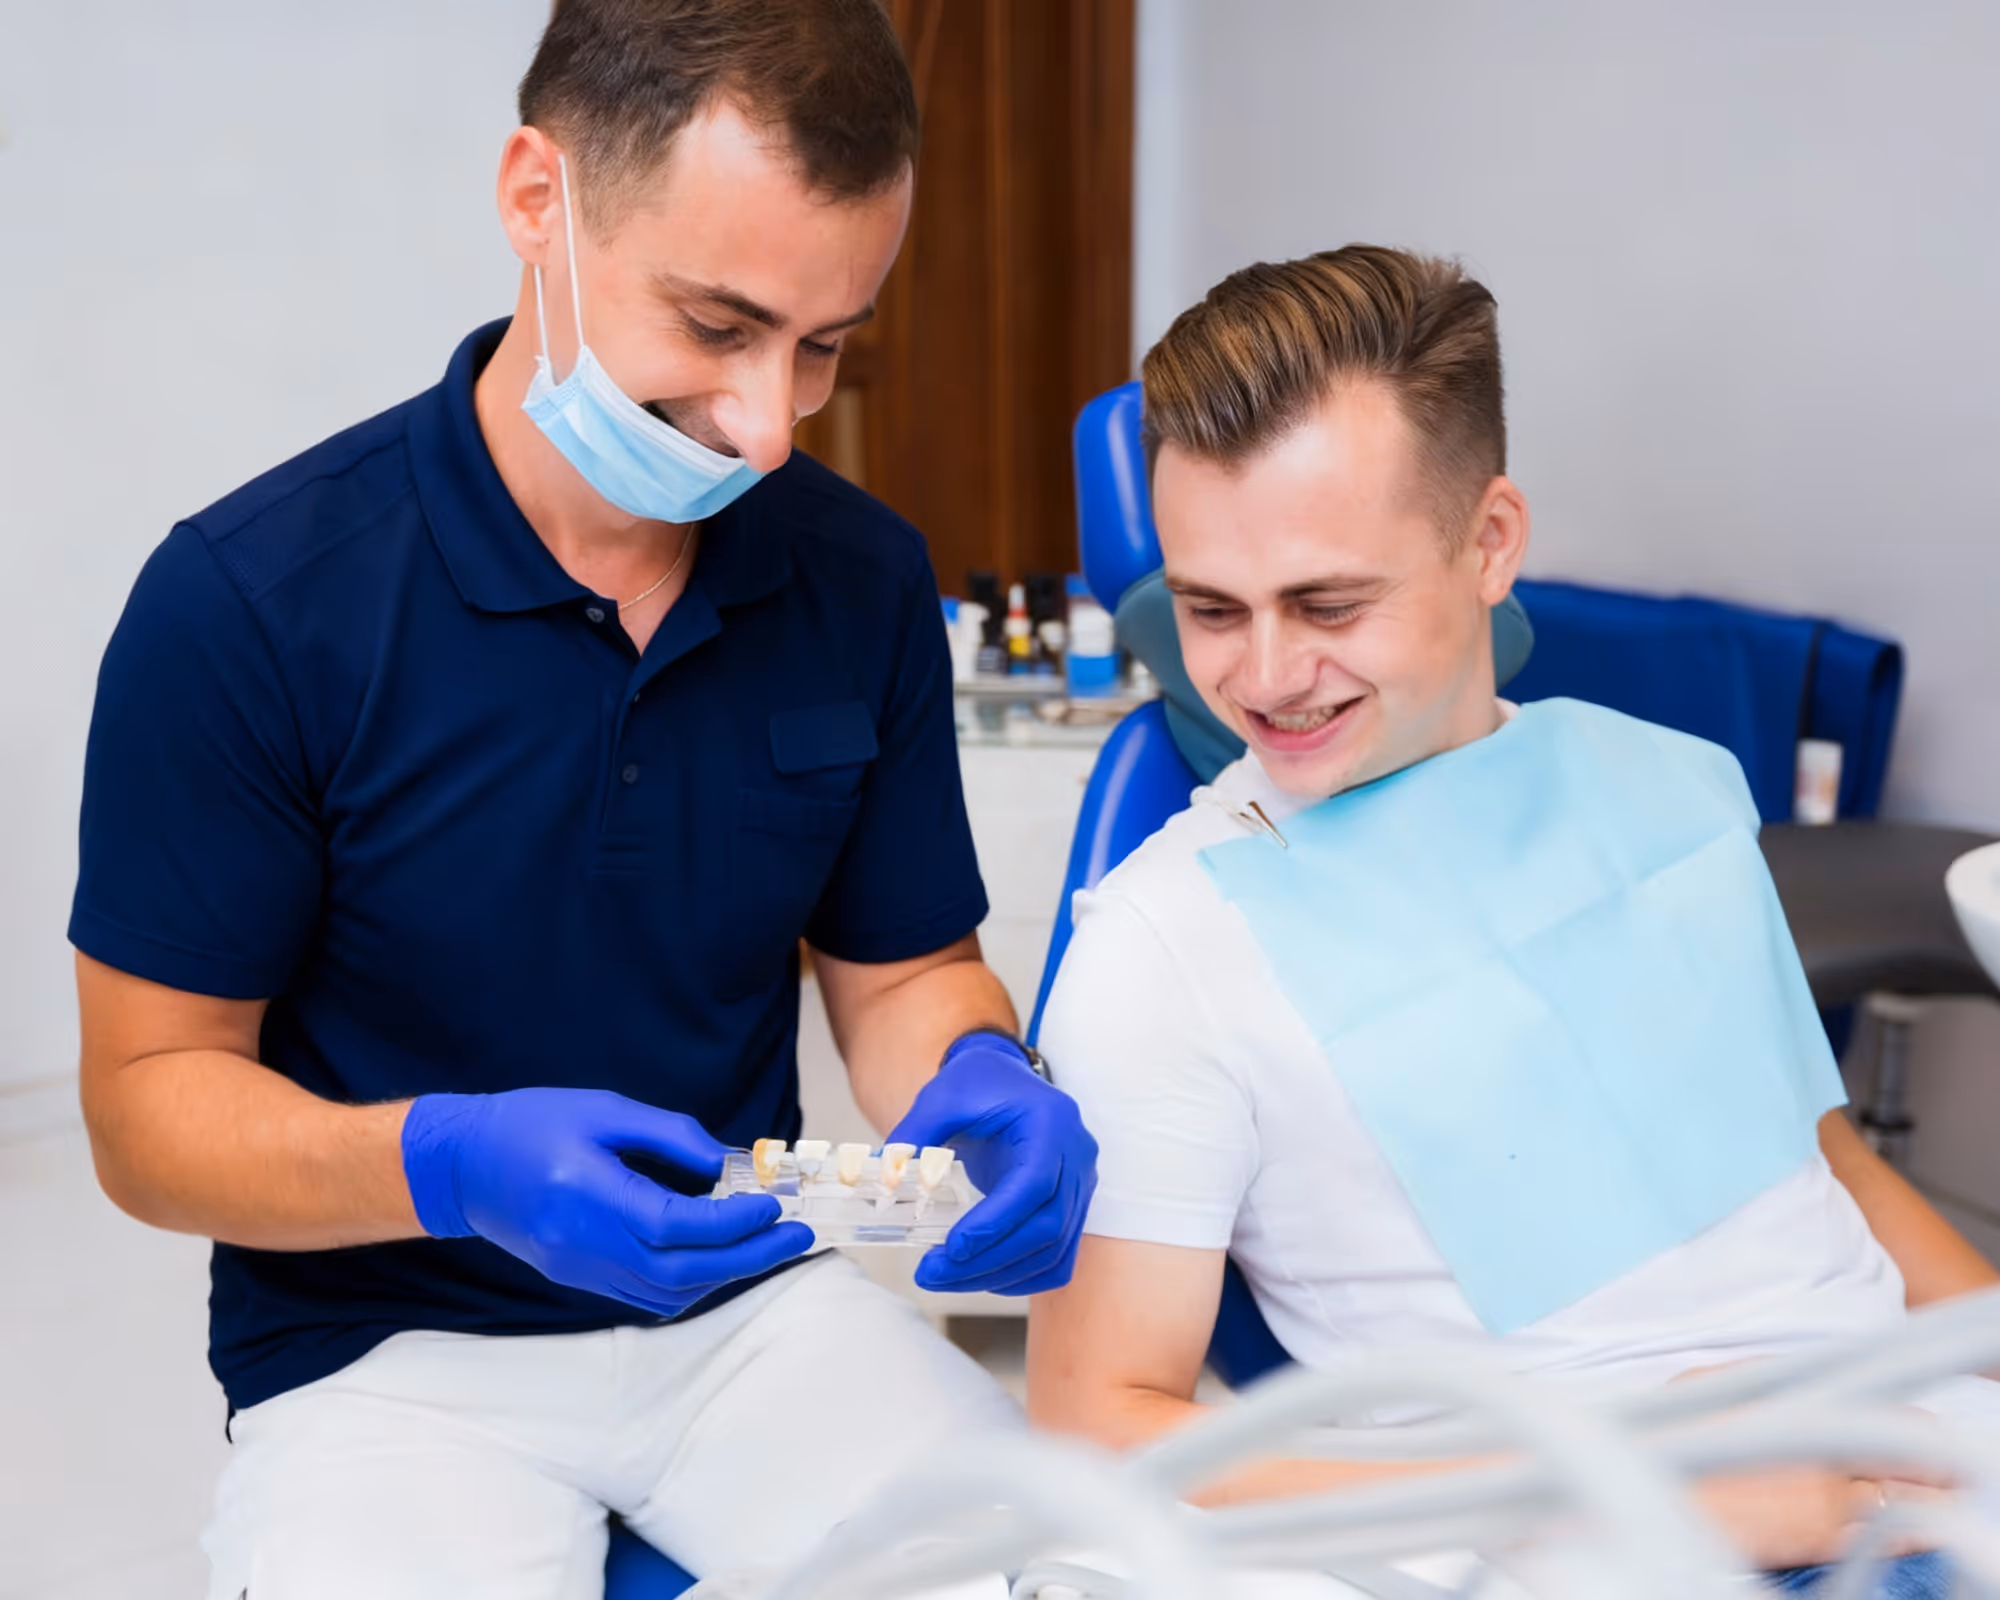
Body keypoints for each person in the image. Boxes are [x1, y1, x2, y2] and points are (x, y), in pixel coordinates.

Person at [70, 3, 1095, 1593]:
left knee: (1058, 1569)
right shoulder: (252, 605)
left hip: (749, 1307)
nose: (771, 424)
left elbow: (898, 972)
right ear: (539, 199)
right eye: (715, 324)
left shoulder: (858, 580)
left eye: (825, 346)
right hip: (387, 1351)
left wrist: (982, 1072)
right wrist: (448, 1165)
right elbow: (147, 1111)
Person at [1027, 245, 1998, 1580]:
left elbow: (1828, 1166)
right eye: (1209, 609)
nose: (1261, 675)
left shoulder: (1667, 790)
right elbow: (1100, 1429)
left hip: (1919, 1448)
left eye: (1327, 603)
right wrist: (1640, 1495)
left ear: (1490, 542)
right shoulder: (1161, 948)